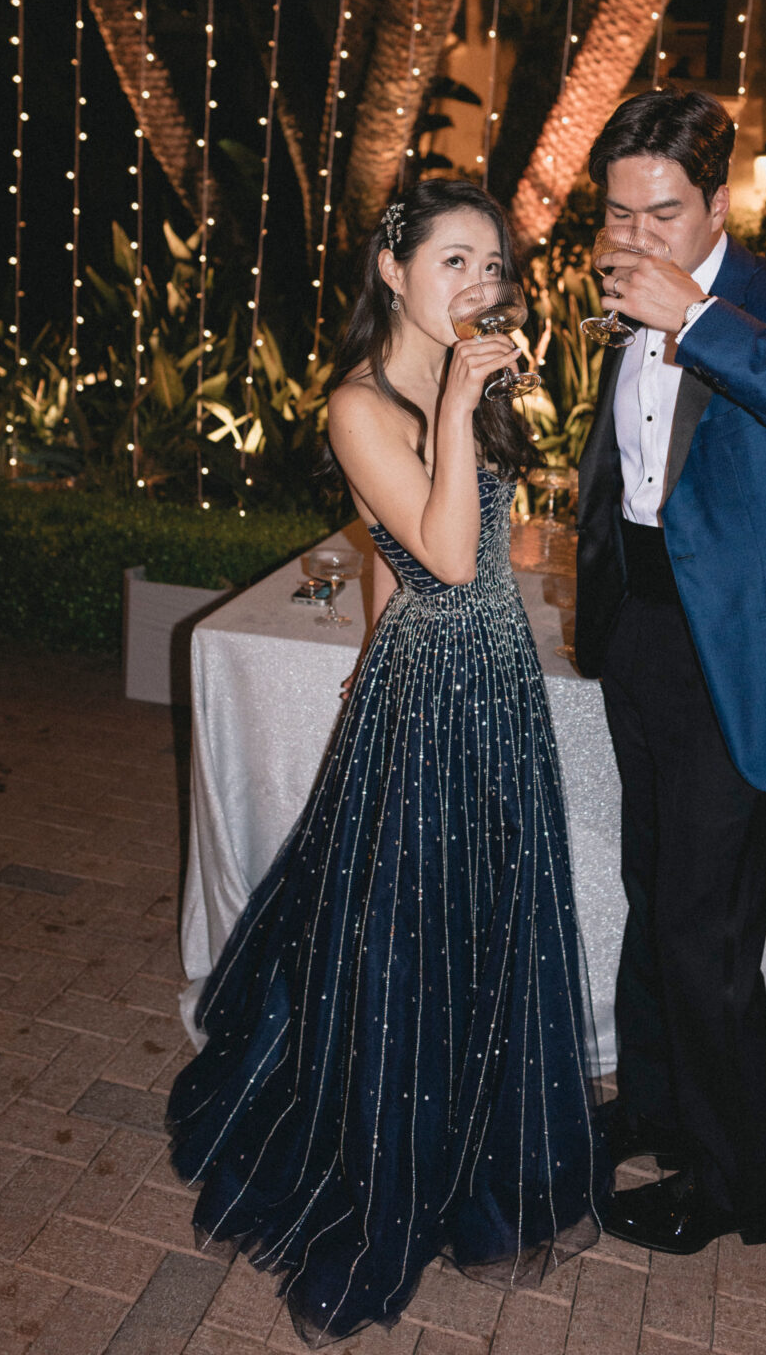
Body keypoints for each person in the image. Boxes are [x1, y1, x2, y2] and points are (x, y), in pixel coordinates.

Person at [167, 178, 608, 1347]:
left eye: (492, 266)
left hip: (491, 680)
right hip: (435, 695)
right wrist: (460, 404)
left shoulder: (466, 379)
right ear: (392, 269)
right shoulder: (358, 402)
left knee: (489, 917)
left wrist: (369, 646)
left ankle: (475, 1135)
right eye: (453, 260)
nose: (477, 286)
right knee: (405, 932)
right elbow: (454, 556)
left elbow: (396, 549)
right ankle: (384, 1164)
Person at [574, 88, 766, 1254]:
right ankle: (653, 1105)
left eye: (659, 212)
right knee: (656, 896)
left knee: (707, 934)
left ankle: (734, 1189)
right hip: (642, 635)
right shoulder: (621, 280)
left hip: (740, 658)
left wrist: (695, 317)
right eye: (617, 214)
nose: (632, 238)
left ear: (719, 200)